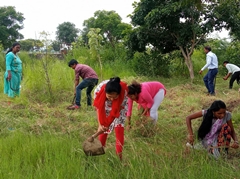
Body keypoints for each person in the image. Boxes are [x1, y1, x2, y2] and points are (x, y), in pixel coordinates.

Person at [93, 77, 128, 160]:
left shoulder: (124, 93)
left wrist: (109, 123)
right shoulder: (98, 91)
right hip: (104, 106)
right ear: (105, 92)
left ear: (118, 94)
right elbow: (98, 108)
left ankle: (119, 158)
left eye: (114, 97)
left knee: (119, 129)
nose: (112, 99)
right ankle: (100, 153)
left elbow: (116, 111)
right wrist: (100, 125)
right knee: (103, 128)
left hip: (120, 107)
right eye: (109, 96)